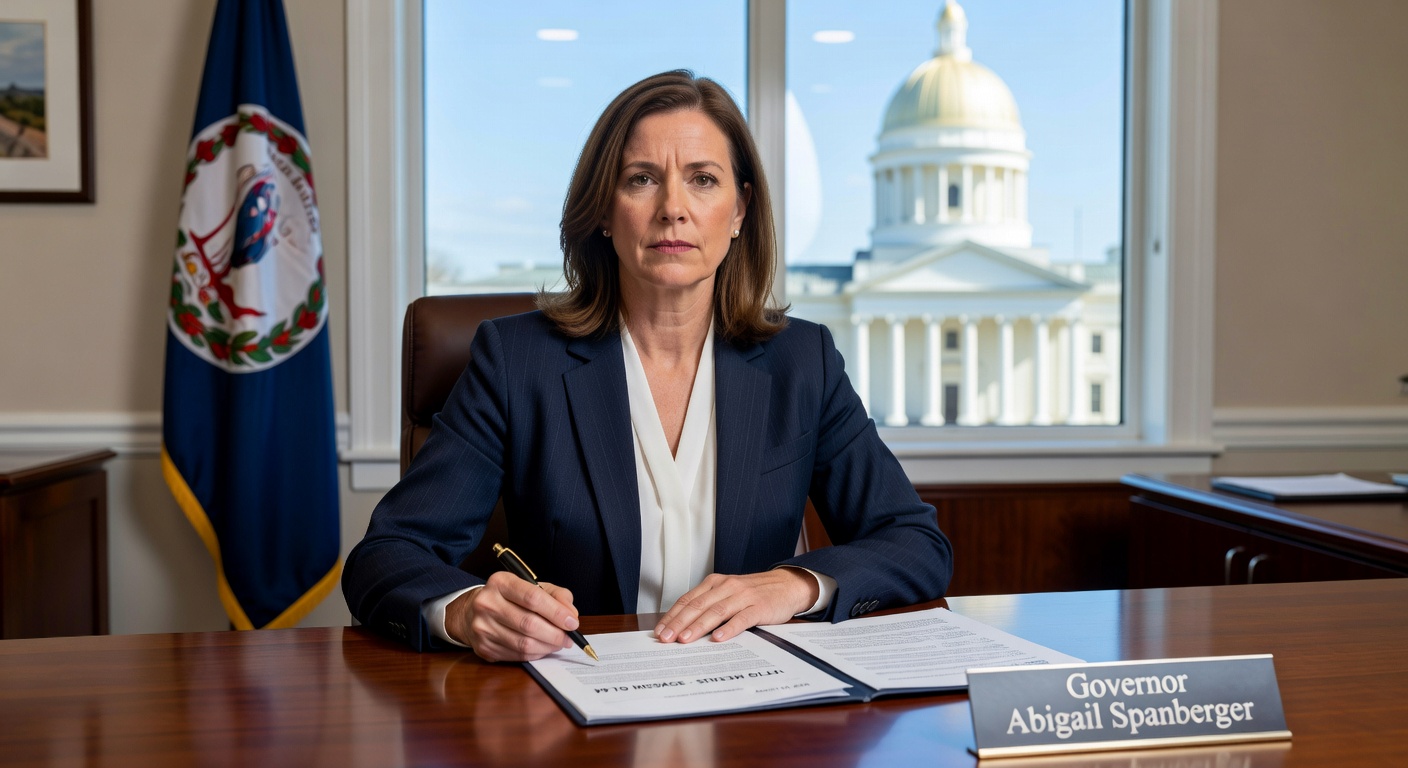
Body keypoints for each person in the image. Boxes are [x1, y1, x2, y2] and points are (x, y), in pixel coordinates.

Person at [343, 70, 953, 660]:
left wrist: (794, 584)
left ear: (740, 211)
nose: (673, 208)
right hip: (578, 700)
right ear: (603, 211)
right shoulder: (516, 362)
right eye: (640, 179)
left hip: (754, 706)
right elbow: (386, 555)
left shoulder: (803, 362)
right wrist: (465, 609)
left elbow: (915, 541)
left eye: (703, 180)